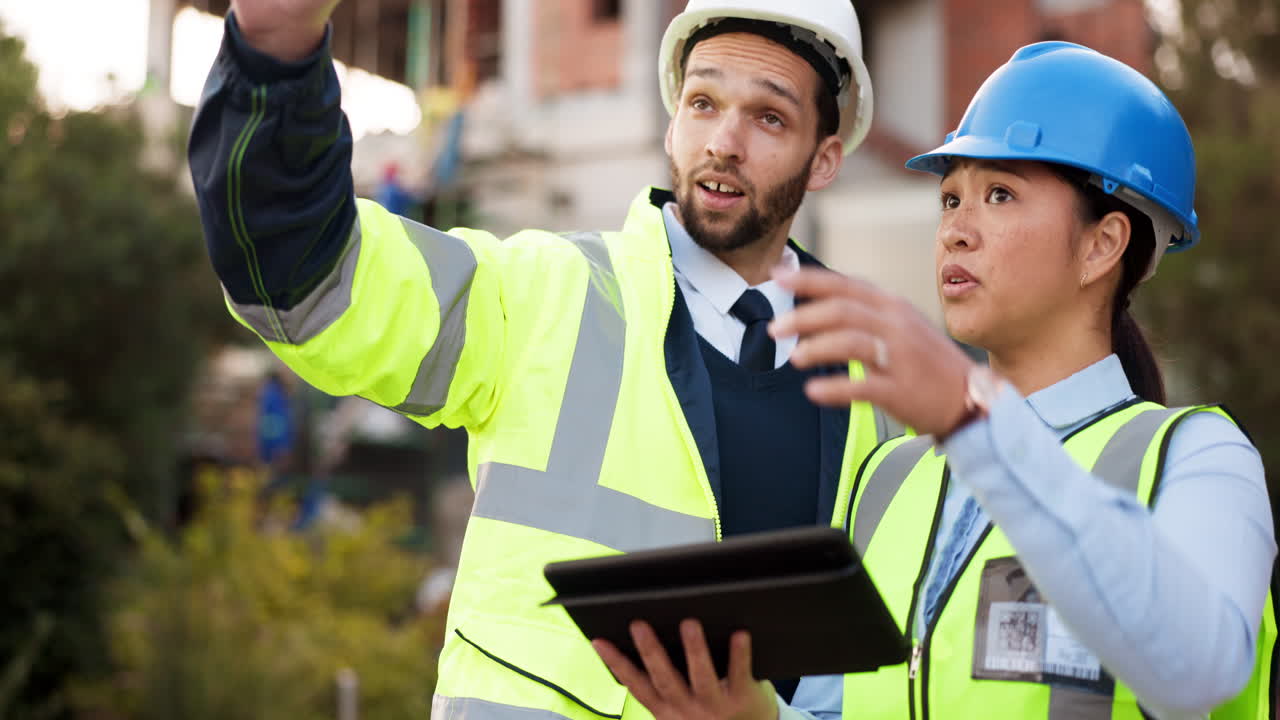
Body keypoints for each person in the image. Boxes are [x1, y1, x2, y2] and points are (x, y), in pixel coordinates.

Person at [187, 1, 900, 717]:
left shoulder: (879, 388)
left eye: (769, 118)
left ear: (826, 158)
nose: (724, 142)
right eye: (703, 103)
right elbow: (312, 279)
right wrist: (273, 51)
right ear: (671, 119)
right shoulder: (540, 295)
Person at [592, 41, 1277, 719]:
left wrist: (972, 420)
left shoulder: (1197, 459)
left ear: (1103, 244)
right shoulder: (889, 480)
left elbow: (1201, 667)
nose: (955, 229)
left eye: (1000, 194)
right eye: (950, 199)